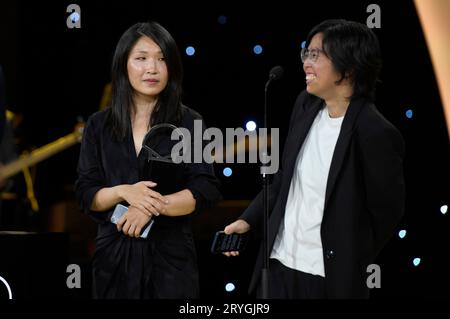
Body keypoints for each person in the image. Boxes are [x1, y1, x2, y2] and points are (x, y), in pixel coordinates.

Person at [224, 19, 405, 299]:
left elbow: (386, 212)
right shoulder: (305, 105)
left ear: (349, 67)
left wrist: (349, 256)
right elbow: (285, 177)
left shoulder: (375, 132)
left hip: (326, 280)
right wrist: (249, 220)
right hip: (278, 266)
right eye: (306, 54)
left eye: (317, 56)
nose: (307, 63)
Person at [75, 21, 221, 299]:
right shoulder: (98, 125)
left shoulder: (190, 122)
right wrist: (123, 192)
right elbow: (86, 194)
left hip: (171, 262)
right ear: (124, 65)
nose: (152, 68)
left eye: (161, 59)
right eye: (141, 58)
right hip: (113, 262)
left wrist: (153, 206)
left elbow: (206, 189)